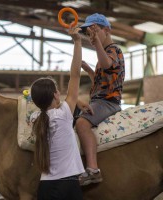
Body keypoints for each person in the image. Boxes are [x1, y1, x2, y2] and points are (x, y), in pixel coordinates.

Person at [30, 26, 84, 200]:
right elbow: (75, 75)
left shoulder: (35, 119)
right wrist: (77, 41)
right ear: (55, 94)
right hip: (68, 186)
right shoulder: (64, 114)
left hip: (45, 187)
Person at [75, 13, 125, 186]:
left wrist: (96, 43)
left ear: (107, 30)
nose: (91, 36)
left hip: (108, 102)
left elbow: (106, 64)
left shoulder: (114, 50)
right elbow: (100, 78)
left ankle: (93, 169)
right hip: (99, 99)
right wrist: (89, 69)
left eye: (95, 30)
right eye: (89, 33)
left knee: (81, 123)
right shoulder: (104, 54)